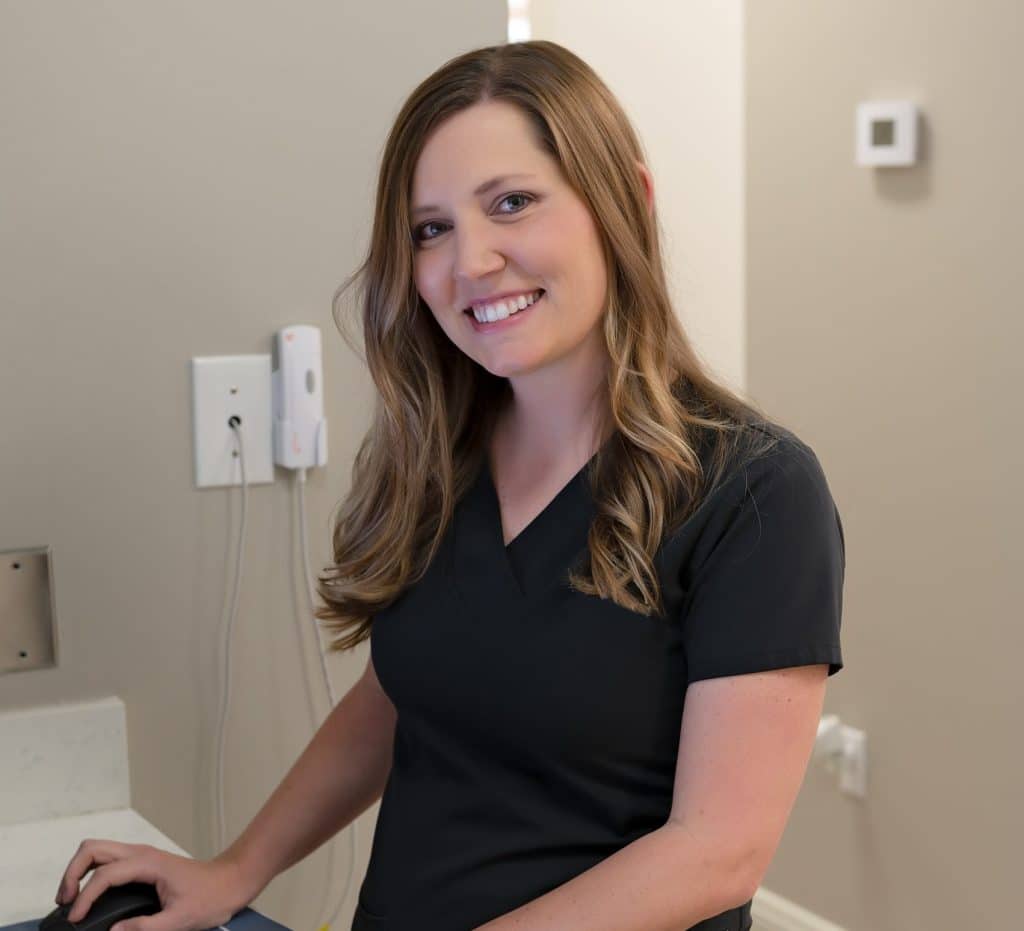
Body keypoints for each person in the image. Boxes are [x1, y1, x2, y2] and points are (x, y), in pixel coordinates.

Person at [55, 40, 844, 931]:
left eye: (512, 203)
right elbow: (404, 690)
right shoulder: (440, 456)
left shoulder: (754, 492)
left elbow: (716, 850)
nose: (470, 262)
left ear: (628, 200)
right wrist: (235, 870)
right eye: (431, 228)